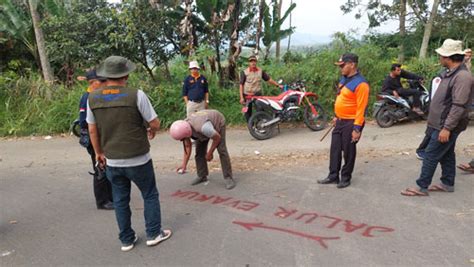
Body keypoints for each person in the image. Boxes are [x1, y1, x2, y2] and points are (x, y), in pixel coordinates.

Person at [87, 56, 172, 251]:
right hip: (139, 158)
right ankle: (153, 233)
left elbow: (92, 129)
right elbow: (155, 123)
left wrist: (99, 152)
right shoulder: (136, 95)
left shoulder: (93, 98)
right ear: (125, 75)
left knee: (120, 199)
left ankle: (126, 239)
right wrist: (151, 129)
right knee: (149, 194)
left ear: (106, 76)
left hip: (113, 160)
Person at [401, 39, 473, 196]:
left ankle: (422, 186)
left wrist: (447, 128)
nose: (439, 58)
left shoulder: (462, 77)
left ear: (448, 57)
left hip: (446, 125)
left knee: (431, 154)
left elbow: (458, 106)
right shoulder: (450, 73)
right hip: (439, 123)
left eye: (441, 55)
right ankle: (447, 183)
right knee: (446, 154)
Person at [317, 53, 370, 189]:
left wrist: (357, 129)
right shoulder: (344, 79)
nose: (341, 68)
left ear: (352, 64)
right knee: (335, 149)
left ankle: (345, 177)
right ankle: (333, 176)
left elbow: (361, 108)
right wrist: (336, 115)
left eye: (342, 65)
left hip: (352, 122)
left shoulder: (361, 84)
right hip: (340, 120)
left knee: (348, 150)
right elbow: (341, 98)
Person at [170, 109, 236, 190]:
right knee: (199, 152)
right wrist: (184, 165)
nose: (181, 141)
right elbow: (187, 146)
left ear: (186, 134)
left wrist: (210, 153)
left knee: (222, 150)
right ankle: (202, 175)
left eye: (182, 139)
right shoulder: (184, 126)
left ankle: (228, 178)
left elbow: (217, 138)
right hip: (203, 125)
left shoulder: (203, 128)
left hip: (217, 122)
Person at [78, 69, 113, 210]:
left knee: (107, 166)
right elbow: (84, 122)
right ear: (93, 83)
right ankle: (102, 201)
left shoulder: (99, 96)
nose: (105, 84)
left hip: (104, 136)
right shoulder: (87, 97)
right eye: (102, 81)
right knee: (100, 167)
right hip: (94, 138)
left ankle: (109, 197)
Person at [239, 55, 283, 121]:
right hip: (247, 95)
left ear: (256, 62)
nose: (253, 63)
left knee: (260, 109)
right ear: (249, 63)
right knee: (247, 112)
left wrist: (277, 85)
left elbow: (268, 79)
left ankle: (261, 124)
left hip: (257, 94)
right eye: (251, 61)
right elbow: (241, 85)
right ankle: (251, 125)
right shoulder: (244, 72)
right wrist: (241, 97)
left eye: (254, 61)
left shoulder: (260, 71)